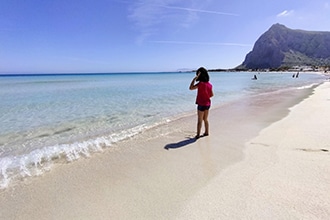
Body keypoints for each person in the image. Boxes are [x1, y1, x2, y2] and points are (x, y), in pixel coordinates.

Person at [189, 67, 214, 139]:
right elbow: (212, 95)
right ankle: (206, 132)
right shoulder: (209, 84)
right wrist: (206, 95)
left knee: (199, 120)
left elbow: (191, 88)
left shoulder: (200, 84)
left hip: (201, 104)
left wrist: (194, 79)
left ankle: (198, 135)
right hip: (208, 104)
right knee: (205, 119)